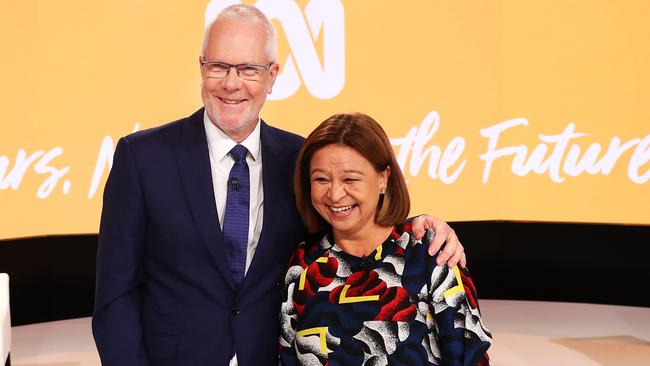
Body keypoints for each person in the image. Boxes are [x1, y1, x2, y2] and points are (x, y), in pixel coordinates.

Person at [92, 4, 465, 366]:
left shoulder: (300, 158)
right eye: (218, 66)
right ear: (200, 68)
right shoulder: (142, 158)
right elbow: (115, 296)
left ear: (272, 75)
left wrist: (421, 224)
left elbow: (349, 221)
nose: (231, 83)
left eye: (249, 69)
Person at [280, 113, 491, 365]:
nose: (335, 194)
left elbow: (470, 356)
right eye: (321, 179)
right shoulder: (302, 266)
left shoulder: (431, 252)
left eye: (350, 179)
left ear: (383, 178)